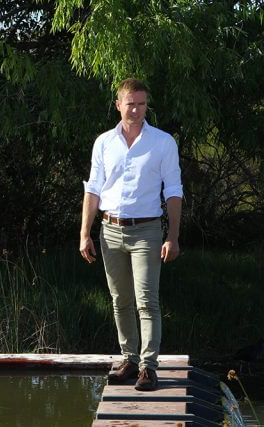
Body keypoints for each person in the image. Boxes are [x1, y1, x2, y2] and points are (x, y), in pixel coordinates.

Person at [79, 78, 183, 391]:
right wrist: (85, 233)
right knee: (120, 300)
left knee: (146, 300)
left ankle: (149, 368)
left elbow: (174, 191)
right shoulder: (104, 143)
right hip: (109, 231)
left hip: (148, 231)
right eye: (130, 103)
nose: (136, 109)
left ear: (146, 105)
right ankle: (129, 360)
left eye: (141, 104)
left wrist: (173, 236)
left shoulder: (163, 142)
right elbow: (93, 189)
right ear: (118, 104)